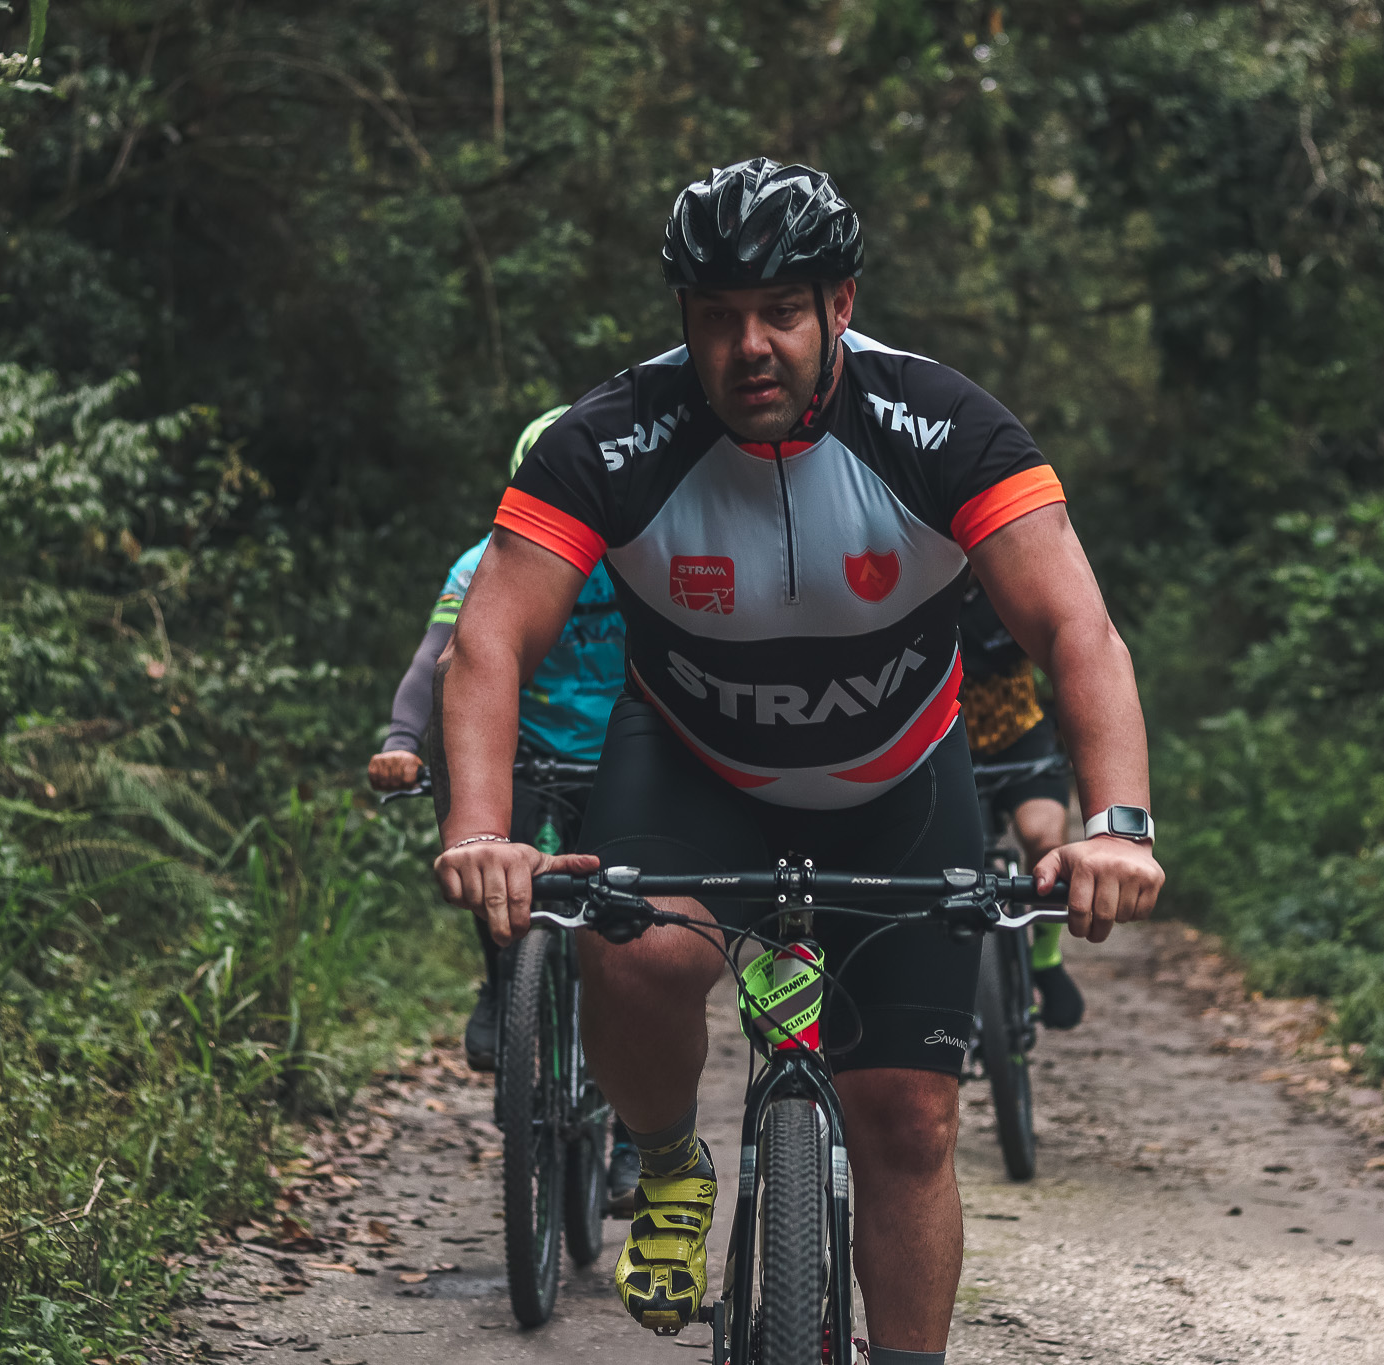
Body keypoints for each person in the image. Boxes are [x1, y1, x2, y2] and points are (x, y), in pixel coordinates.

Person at [430, 159, 1164, 1364]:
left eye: (779, 311)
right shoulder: (607, 436)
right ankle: (666, 1158)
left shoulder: (945, 426)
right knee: (632, 954)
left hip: (899, 780)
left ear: (841, 304)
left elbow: (1073, 628)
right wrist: (478, 827)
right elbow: (491, 636)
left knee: (908, 1121)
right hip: (689, 766)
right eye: (716, 318)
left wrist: (1116, 823)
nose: (748, 346)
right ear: (684, 322)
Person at [367, 406, 644, 1212]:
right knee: (470, 802)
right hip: (528, 751)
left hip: (621, 752)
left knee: (628, 940)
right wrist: (400, 737)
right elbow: (436, 660)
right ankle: (501, 978)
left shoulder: (633, 558)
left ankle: (635, 1135)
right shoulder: (484, 562)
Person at [959, 580, 1083, 1027]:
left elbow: (1069, 654)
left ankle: (1046, 957)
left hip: (1020, 737)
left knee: (1045, 838)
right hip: (946, 744)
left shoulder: (1011, 579)